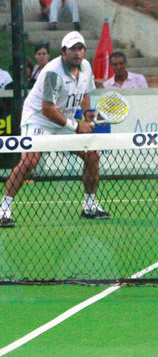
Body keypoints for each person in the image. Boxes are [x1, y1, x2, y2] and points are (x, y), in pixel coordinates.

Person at [0, 31, 109, 228]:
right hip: (38, 120)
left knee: (92, 154)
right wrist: (76, 126)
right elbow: (47, 109)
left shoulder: (85, 67)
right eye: (73, 49)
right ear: (63, 52)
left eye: (80, 48)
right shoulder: (52, 72)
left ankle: (90, 206)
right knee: (29, 161)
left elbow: (84, 95)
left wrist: (88, 113)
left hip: (64, 120)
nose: (77, 53)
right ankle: (3, 210)